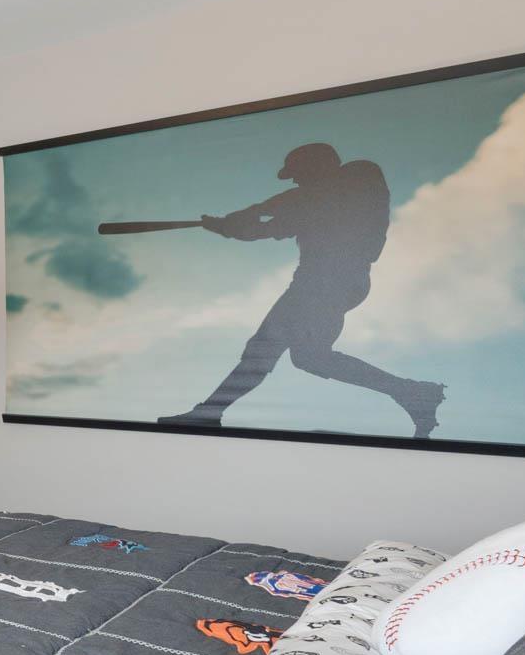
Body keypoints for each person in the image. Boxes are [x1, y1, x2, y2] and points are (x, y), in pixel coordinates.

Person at [159, 142, 444, 437]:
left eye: (298, 173)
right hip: (327, 281)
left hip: (327, 280)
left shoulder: (358, 178)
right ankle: (412, 392)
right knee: (308, 357)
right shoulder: (317, 201)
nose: (296, 179)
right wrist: (227, 226)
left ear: (317, 167)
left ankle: (209, 412)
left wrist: (249, 213)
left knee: (264, 350)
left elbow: (297, 203)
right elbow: (269, 227)